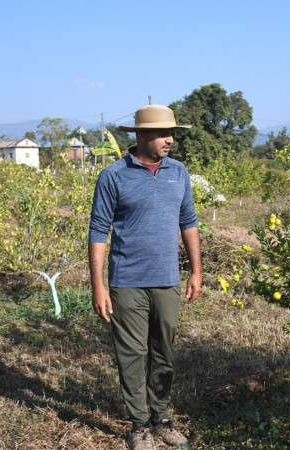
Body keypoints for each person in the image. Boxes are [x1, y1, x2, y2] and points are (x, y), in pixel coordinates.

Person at [88, 104, 202, 450]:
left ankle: (162, 418)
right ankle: (139, 425)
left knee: (163, 351)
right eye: (163, 134)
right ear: (140, 136)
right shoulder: (113, 175)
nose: (170, 140)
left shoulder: (178, 172)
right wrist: (98, 285)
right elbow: (97, 230)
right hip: (127, 281)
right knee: (132, 354)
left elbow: (189, 223)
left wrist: (196, 270)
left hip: (166, 279)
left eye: (172, 133)